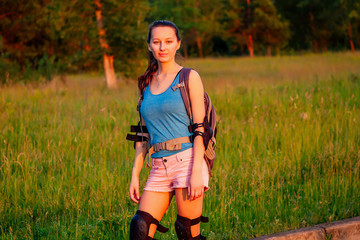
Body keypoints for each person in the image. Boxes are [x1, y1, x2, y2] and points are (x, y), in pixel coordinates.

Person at [129, 20, 210, 240]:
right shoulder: (146, 82)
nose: (162, 47)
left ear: (177, 44)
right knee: (139, 229)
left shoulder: (189, 77)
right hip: (158, 166)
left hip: (187, 161)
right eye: (156, 42)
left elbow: (200, 128)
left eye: (168, 41)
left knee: (187, 232)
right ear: (149, 46)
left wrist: (197, 173)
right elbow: (142, 135)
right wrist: (135, 175)